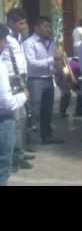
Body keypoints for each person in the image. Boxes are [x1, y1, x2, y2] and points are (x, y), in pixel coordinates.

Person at [2, 8, 34, 172]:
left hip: (20, 78)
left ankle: (19, 150)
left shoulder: (19, 36)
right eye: (21, 23)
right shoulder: (5, 37)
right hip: (10, 79)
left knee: (21, 118)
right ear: (12, 22)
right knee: (15, 118)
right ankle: (14, 156)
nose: (24, 26)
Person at [23, 17, 64, 144]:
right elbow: (32, 63)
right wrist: (52, 59)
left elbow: (53, 61)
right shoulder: (29, 43)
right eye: (45, 26)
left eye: (49, 26)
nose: (48, 29)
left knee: (47, 109)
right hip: (35, 80)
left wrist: (58, 67)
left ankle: (47, 136)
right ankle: (31, 140)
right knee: (34, 110)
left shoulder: (51, 42)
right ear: (37, 27)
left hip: (48, 79)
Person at [0, 23, 29, 186]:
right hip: (3, 120)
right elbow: (7, 103)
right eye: (3, 40)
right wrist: (23, 96)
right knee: (3, 165)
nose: (5, 44)